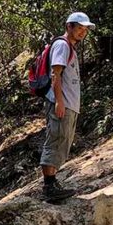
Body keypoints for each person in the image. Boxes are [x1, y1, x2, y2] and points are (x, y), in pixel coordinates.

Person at [40, 12, 94, 202]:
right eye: (79, 28)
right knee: (56, 139)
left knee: (62, 141)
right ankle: (49, 186)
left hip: (69, 103)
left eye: (85, 30)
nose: (82, 32)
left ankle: (53, 183)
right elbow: (56, 75)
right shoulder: (62, 45)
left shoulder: (69, 47)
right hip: (61, 103)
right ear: (68, 26)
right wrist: (59, 102)